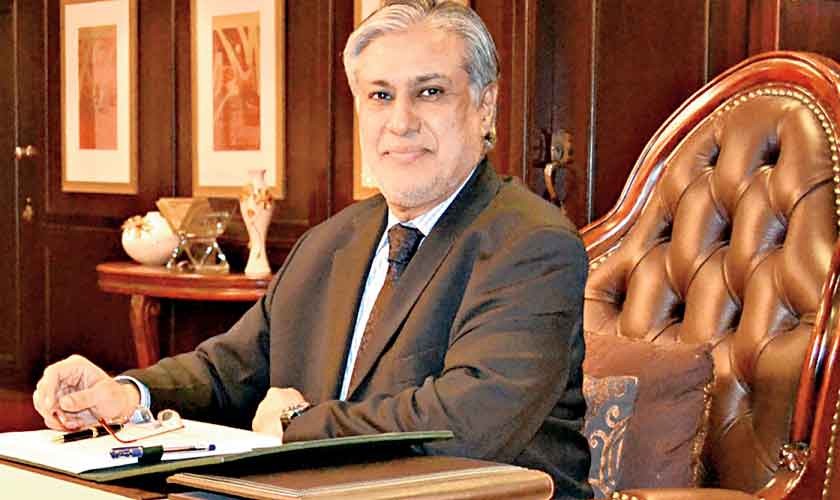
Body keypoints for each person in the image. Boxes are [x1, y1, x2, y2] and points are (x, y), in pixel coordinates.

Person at [33, 1, 592, 498]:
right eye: (380, 96)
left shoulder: (531, 245)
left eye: (430, 92)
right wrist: (129, 395)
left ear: (485, 106)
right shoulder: (331, 241)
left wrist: (298, 424)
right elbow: (231, 370)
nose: (400, 122)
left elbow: (467, 423)